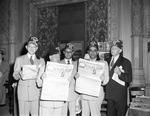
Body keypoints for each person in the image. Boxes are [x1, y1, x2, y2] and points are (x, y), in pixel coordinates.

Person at [13, 36, 45, 116]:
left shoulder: (41, 60)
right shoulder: (19, 59)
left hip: (35, 91)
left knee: (35, 114)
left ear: (37, 48)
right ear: (26, 47)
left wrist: (43, 76)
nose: (32, 48)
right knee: (23, 114)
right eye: (30, 46)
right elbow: (15, 75)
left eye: (34, 47)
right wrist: (19, 74)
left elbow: (43, 76)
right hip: (23, 92)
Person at [76, 40, 109, 116]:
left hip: (96, 94)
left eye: (94, 50)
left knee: (95, 114)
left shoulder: (103, 63)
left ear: (97, 52)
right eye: (90, 50)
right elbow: (80, 78)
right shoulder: (84, 63)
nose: (92, 52)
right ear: (88, 52)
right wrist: (77, 77)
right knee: (84, 114)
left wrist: (102, 79)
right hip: (85, 93)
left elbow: (106, 80)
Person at [105, 39, 132, 116]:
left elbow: (129, 79)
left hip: (120, 95)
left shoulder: (126, 62)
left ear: (120, 50)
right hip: (109, 94)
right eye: (112, 48)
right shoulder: (106, 61)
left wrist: (120, 73)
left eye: (115, 48)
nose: (112, 49)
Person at [37, 45, 64, 116]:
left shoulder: (63, 69)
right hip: (47, 102)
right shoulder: (44, 67)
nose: (57, 59)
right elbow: (38, 84)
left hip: (58, 101)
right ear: (50, 57)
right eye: (55, 56)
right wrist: (42, 78)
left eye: (59, 57)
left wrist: (68, 81)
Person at [60, 43, 79, 116]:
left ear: (72, 53)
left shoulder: (77, 64)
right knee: (63, 113)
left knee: (73, 114)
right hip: (62, 93)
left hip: (73, 93)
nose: (68, 53)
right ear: (63, 52)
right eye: (66, 51)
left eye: (70, 52)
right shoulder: (59, 63)